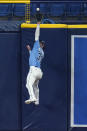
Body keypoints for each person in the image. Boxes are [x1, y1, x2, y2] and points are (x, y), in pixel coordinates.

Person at [25, 21, 45, 105]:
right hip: (39, 72)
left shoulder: (36, 45)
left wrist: (38, 24)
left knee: (28, 84)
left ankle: (32, 97)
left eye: (40, 43)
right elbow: (34, 56)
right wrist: (30, 51)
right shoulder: (42, 53)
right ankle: (37, 101)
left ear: (40, 44)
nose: (39, 43)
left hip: (33, 70)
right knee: (35, 86)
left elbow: (37, 34)